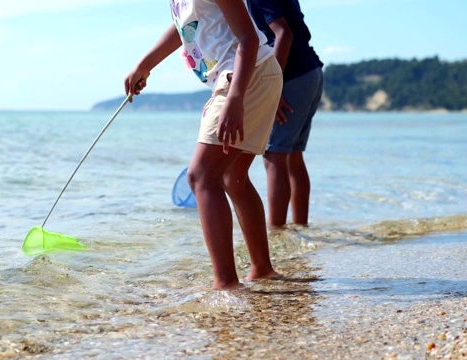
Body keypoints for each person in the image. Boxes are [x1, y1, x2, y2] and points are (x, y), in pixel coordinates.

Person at [125, 0, 283, 290]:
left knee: (200, 176)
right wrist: (144, 65)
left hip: (246, 75)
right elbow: (183, 27)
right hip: (247, 75)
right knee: (231, 177)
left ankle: (225, 284)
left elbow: (248, 37)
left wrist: (234, 100)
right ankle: (262, 269)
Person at [246, 0, 324, 229]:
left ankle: (277, 232)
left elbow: (283, 34)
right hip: (310, 72)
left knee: (273, 155)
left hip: (292, 77)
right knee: (292, 156)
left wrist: (273, 85)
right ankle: (300, 227)